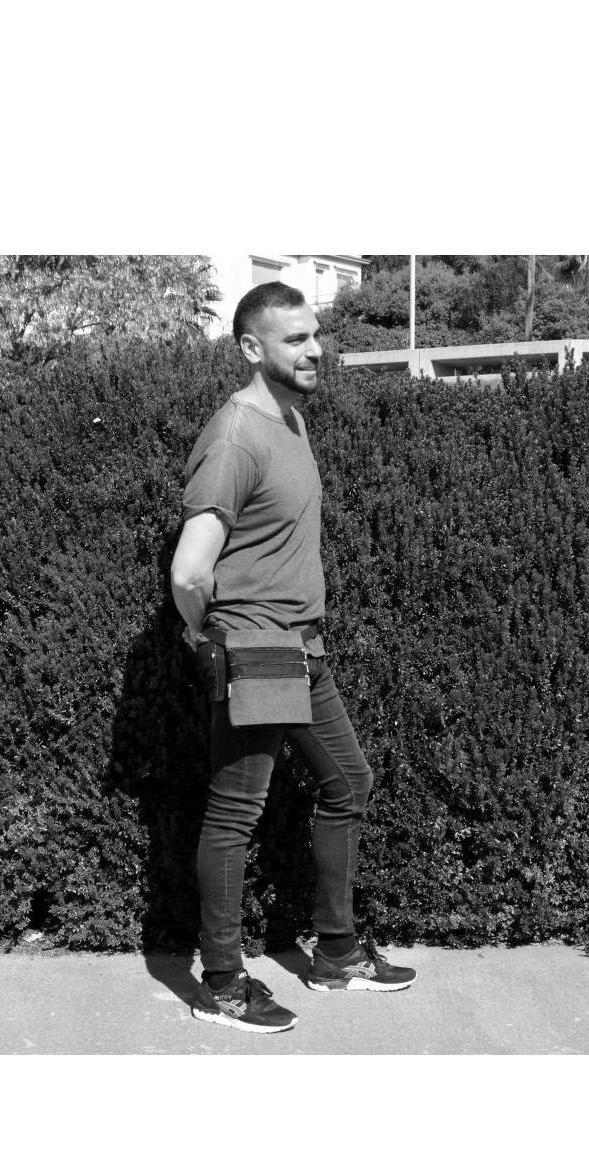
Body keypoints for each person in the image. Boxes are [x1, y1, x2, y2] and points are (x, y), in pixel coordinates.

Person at [170, 281, 416, 1033]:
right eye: (295, 339)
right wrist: (208, 634)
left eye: (315, 334)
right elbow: (189, 569)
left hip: (304, 646)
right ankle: (222, 983)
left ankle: (336, 953)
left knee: (348, 782)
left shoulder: (292, 420)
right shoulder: (235, 438)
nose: (315, 350)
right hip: (259, 649)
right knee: (236, 812)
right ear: (252, 348)